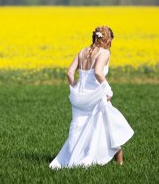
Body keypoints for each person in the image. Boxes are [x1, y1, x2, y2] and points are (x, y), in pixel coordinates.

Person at [49, 26, 134, 169]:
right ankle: (118, 162)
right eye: (110, 40)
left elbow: (70, 73)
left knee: (78, 128)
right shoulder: (104, 53)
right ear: (106, 39)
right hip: (95, 95)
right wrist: (108, 90)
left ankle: (71, 159)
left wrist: (76, 87)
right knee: (108, 126)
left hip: (79, 97)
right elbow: (98, 73)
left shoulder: (82, 52)